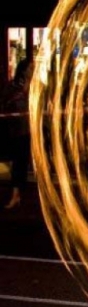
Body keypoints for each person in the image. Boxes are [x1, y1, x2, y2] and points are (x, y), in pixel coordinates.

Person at [2, 58, 34, 209]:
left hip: (28, 130)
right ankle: (15, 195)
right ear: (23, 70)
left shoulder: (34, 86)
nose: (32, 71)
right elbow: (10, 103)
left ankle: (19, 194)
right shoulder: (14, 86)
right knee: (17, 163)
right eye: (30, 69)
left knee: (22, 163)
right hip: (16, 131)